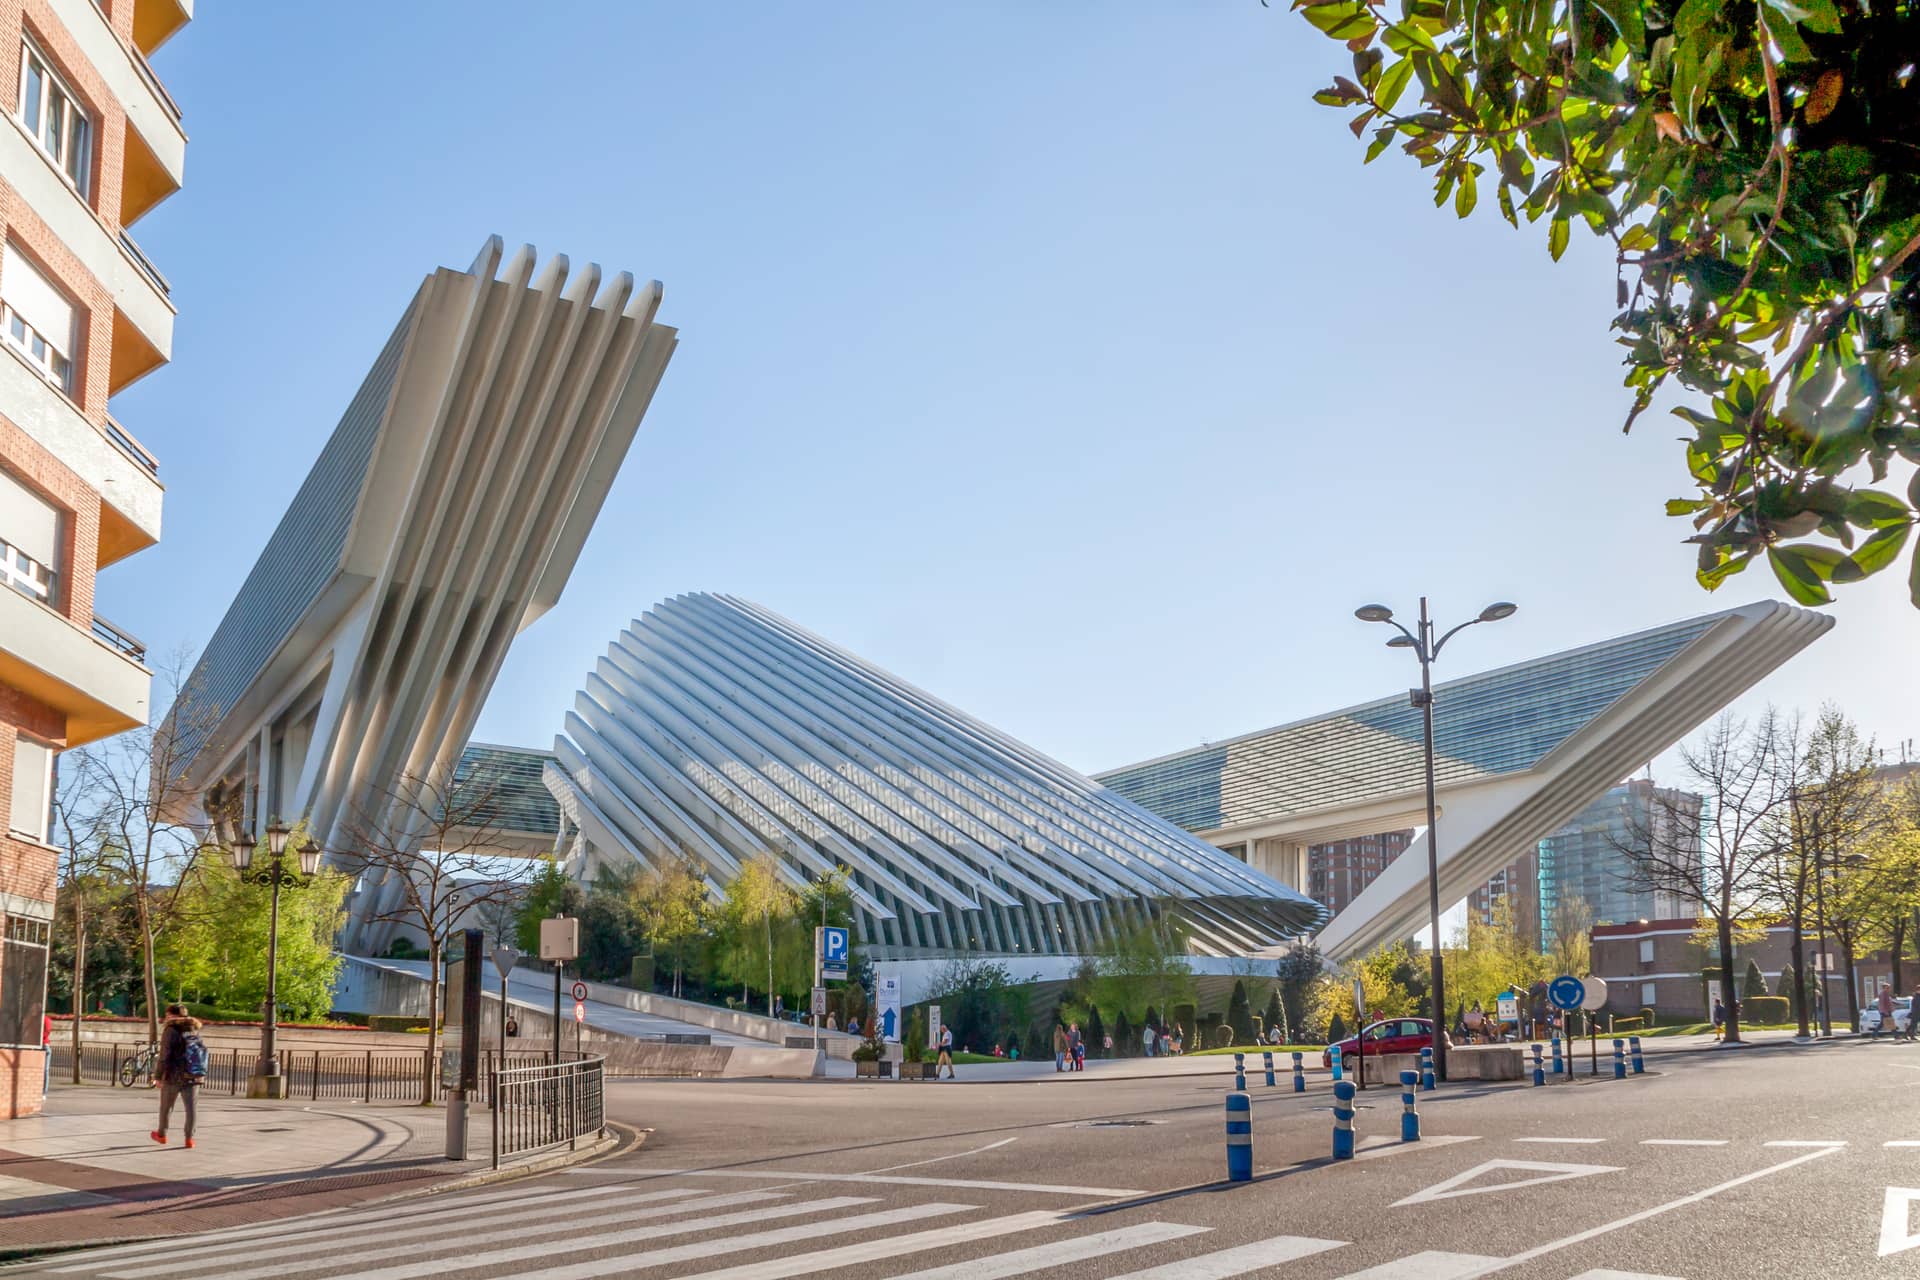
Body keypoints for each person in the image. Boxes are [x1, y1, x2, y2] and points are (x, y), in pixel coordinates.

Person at [150, 1003, 204, 1149]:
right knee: (191, 1109)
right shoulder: (194, 1029)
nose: (166, 1017)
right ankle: (189, 1139)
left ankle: (162, 1135)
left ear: (171, 1015)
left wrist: (158, 1076)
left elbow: (164, 1056)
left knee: (166, 1107)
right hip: (193, 1075)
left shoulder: (171, 1030)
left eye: (167, 1014)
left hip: (173, 1075)